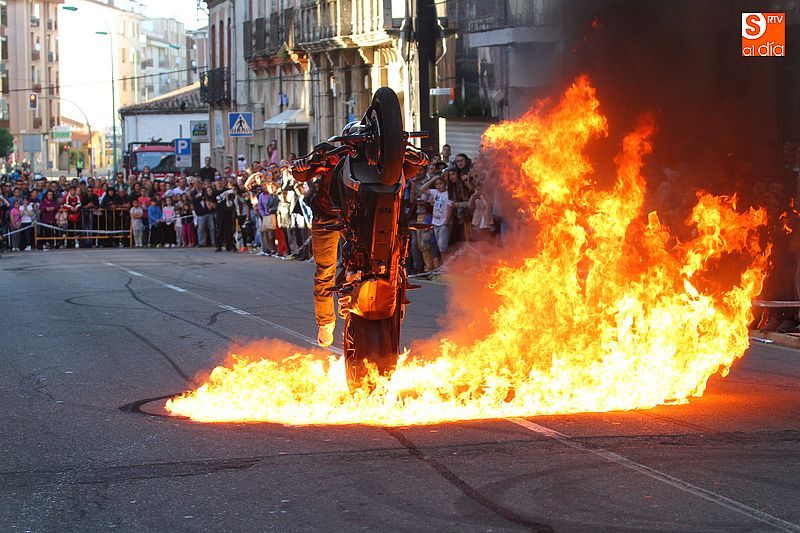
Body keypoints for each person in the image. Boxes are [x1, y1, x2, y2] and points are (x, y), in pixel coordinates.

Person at [292, 136, 429, 347]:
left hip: (358, 219)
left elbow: (405, 171)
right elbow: (302, 173)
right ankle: (326, 321)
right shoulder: (330, 154)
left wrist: (417, 159)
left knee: (379, 258)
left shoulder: (382, 156)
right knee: (325, 269)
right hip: (327, 216)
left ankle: (384, 297)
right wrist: (303, 164)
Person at [257, 182, 279, 256]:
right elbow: (260, 206)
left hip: (275, 214)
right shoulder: (261, 196)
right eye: (262, 186)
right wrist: (263, 214)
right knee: (268, 234)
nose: (264, 187)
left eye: (265, 185)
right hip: (266, 216)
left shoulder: (273, 195)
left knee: (275, 234)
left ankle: (277, 249)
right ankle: (270, 248)